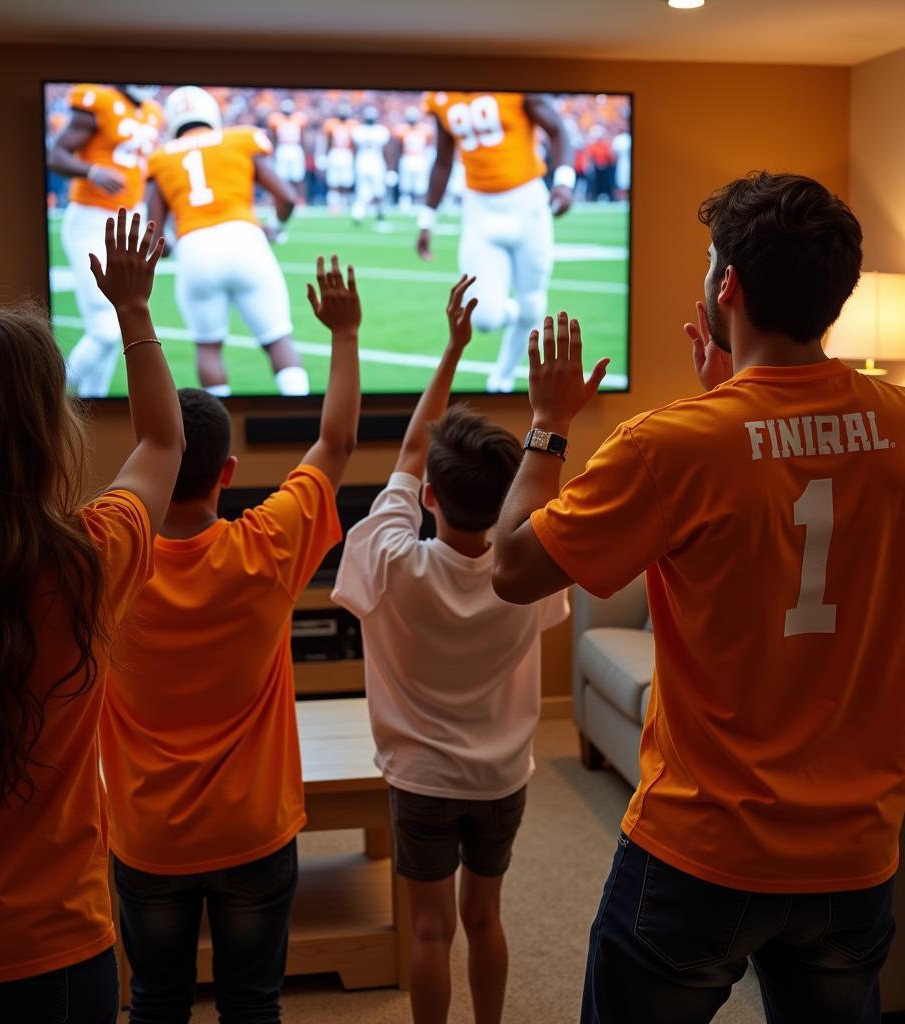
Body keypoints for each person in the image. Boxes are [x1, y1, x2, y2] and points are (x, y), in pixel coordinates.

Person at [491, 171, 905, 1024]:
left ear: (728, 287)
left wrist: (547, 423)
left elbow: (513, 569)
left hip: (702, 846)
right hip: (854, 851)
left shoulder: (672, 444)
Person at [98, 254, 360, 1023]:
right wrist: (343, 335)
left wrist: (133, 311)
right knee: (254, 1005)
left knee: (154, 1001)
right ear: (228, 470)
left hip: (146, 836)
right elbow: (337, 443)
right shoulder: (268, 546)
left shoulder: (107, 562)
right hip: (252, 832)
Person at [332, 275, 568, 1024]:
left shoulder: (392, 556)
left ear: (429, 496)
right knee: (485, 919)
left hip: (420, 779)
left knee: (429, 928)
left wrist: (452, 347)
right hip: (499, 777)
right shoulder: (527, 571)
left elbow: (409, 448)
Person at [0, 209, 183, 1021]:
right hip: (52, 946)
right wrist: (134, 310)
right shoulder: (88, 559)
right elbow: (163, 442)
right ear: (45, 431)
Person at [147, 85, 309, 398]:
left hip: (194, 248)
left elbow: (155, 238)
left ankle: (218, 439)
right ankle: (301, 415)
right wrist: (274, 226)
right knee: (278, 340)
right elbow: (287, 196)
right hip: (245, 239)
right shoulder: (239, 138)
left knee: (208, 347)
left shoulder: (161, 157)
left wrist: (168, 249)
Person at [416, 92, 575, 393]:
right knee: (485, 317)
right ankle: (526, 315)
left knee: (532, 298)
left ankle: (500, 380)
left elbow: (557, 129)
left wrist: (564, 181)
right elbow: (442, 160)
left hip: (528, 203)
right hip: (478, 209)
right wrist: (426, 220)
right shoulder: (440, 97)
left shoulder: (512, 83)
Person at [47, 83, 163, 396]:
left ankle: (90, 408)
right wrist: (92, 171)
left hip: (130, 220)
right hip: (91, 218)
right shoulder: (98, 99)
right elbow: (56, 154)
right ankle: (52, 399)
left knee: (117, 328)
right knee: (106, 329)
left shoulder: (153, 112)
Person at [351, 105, 391, 224]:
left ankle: (361, 214)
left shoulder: (360, 130)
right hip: (372, 161)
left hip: (365, 161)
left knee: (370, 190)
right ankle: (375, 212)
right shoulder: (378, 131)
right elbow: (387, 151)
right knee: (373, 190)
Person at [269, 97, 309, 203]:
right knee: (281, 177)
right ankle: (281, 199)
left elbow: (303, 137)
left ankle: (300, 200)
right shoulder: (277, 119)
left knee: (298, 176)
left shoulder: (299, 119)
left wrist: (305, 151)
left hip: (295, 147)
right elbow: (273, 137)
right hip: (283, 147)